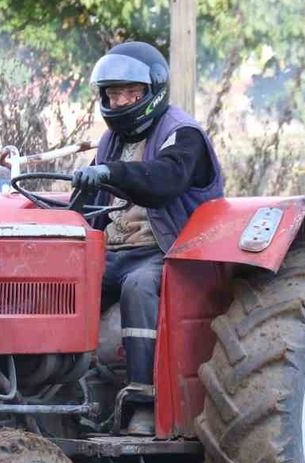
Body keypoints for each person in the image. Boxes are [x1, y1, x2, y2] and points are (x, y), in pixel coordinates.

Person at [72, 41, 225, 435]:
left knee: (139, 287)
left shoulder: (182, 133)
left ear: (151, 92)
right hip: (117, 250)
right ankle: (65, 392)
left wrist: (111, 173)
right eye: (113, 93)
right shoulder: (111, 142)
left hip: (167, 250)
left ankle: (142, 399)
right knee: (69, 281)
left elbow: (164, 180)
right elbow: (87, 202)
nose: (120, 101)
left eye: (130, 93)